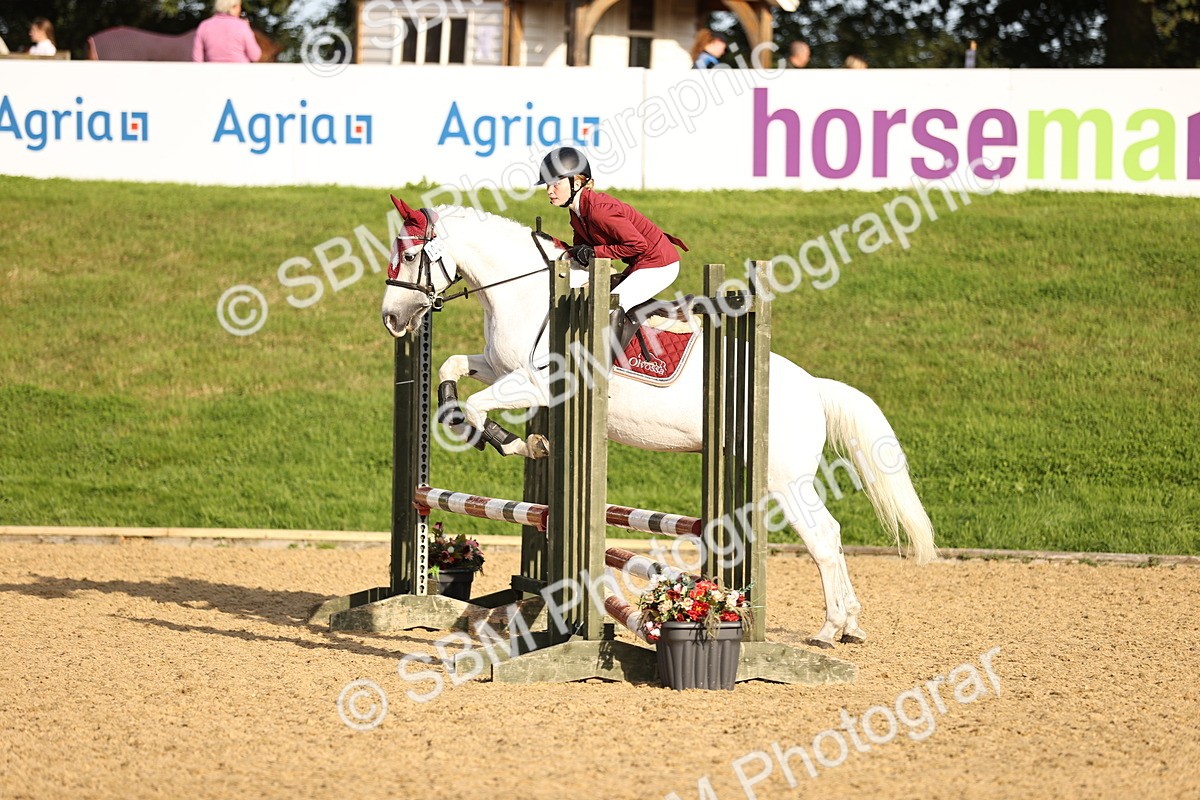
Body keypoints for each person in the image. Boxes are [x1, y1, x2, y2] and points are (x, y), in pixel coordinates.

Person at [536, 146, 687, 328]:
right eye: (547, 185)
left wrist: (595, 252)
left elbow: (638, 245)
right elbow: (580, 251)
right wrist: (552, 244)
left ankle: (611, 356)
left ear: (576, 184)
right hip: (641, 263)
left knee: (605, 308)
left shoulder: (599, 211)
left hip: (660, 265)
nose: (549, 191)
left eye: (555, 184)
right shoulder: (577, 212)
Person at [193, 0, 261, 63]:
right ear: (233, 7)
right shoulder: (242, 25)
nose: (240, 9)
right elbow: (255, 56)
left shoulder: (204, 25)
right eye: (239, 6)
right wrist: (249, 31)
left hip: (213, 73)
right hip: (240, 73)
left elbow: (197, 59)